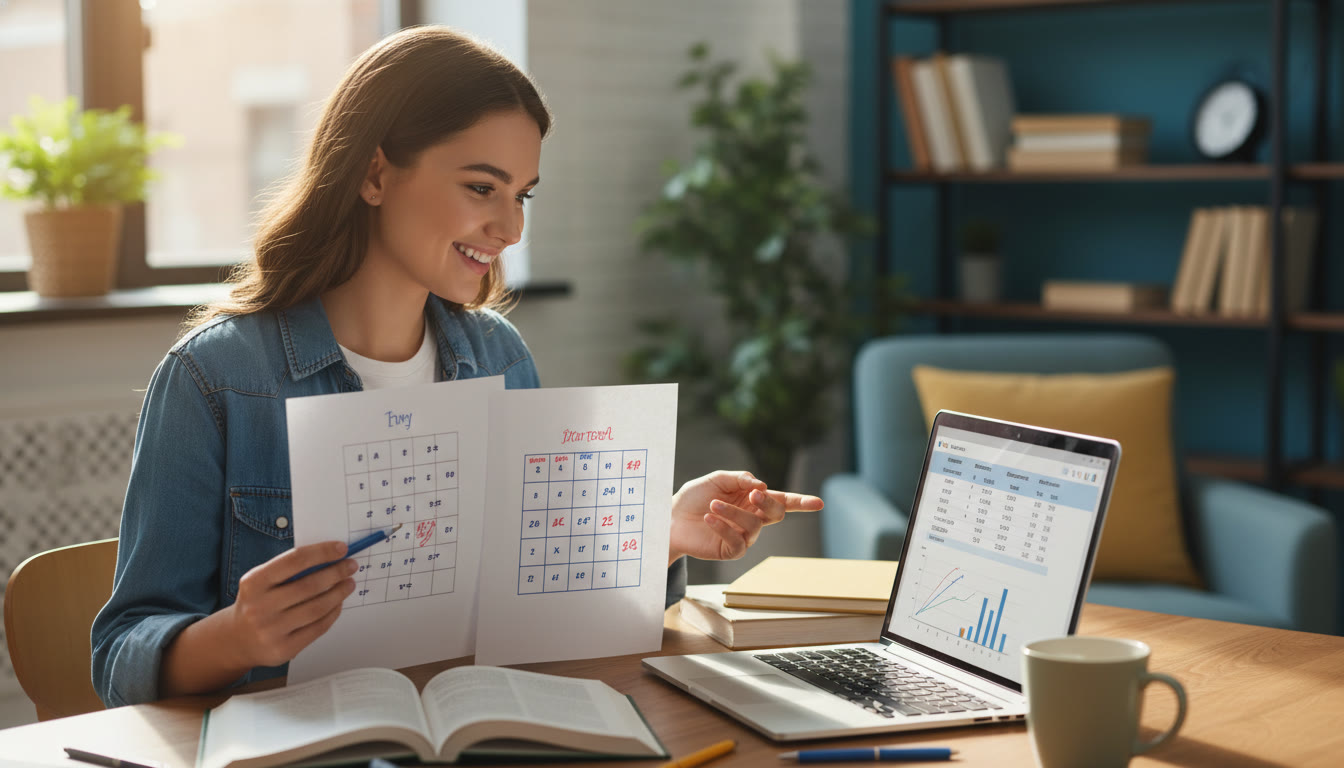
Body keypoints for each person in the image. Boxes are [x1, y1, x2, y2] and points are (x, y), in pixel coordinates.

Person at [91, 25, 823, 708]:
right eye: (482, 187)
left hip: (480, 727)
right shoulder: (215, 380)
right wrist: (237, 636)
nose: (509, 228)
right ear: (375, 174)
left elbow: (548, 607)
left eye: (522, 195)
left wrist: (661, 532)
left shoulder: (499, 357)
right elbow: (120, 657)